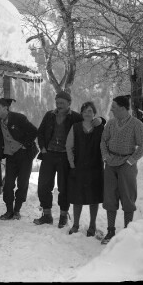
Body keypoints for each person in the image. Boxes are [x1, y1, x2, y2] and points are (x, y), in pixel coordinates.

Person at [34, 92, 105, 228]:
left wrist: (101, 120)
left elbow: (89, 119)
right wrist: (42, 147)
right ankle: (47, 214)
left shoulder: (75, 117)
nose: (59, 105)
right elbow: (41, 132)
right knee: (44, 186)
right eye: (57, 102)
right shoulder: (49, 115)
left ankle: (63, 215)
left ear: (69, 103)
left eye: (62, 103)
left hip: (64, 157)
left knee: (64, 187)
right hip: (48, 155)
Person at [100, 95, 143, 244]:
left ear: (122, 108)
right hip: (110, 164)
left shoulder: (137, 124)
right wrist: (106, 157)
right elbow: (103, 140)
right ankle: (110, 232)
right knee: (109, 197)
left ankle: (127, 232)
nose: (111, 110)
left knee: (128, 198)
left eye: (114, 107)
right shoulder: (111, 123)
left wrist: (130, 161)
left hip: (127, 165)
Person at [0, 98, 38, 220]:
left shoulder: (18, 118)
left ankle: (17, 209)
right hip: (10, 156)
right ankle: (9, 210)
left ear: (5, 108)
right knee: (8, 184)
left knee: (22, 183)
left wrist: (25, 144)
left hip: (24, 155)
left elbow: (34, 131)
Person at [65, 101, 104, 237]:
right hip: (79, 166)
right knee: (77, 197)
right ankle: (76, 224)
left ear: (94, 114)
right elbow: (69, 146)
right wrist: (72, 164)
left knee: (94, 198)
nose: (88, 113)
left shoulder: (100, 128)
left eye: (90, 111)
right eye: (85, 111)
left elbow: (105, 145)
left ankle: (92, 225)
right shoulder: (75, 127)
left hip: (96, 167)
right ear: (81, 113)